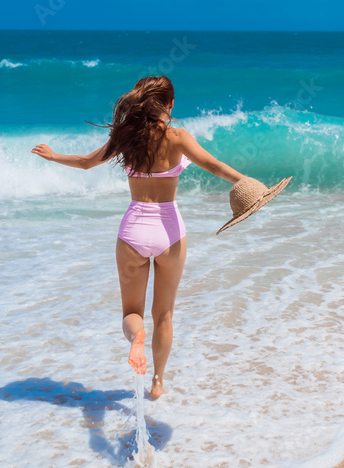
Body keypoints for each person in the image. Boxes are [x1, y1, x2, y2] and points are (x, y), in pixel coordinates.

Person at [31, 75, 244, 398]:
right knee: (165, 315)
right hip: (170, 232)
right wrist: (247, 182)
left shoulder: (125, 137)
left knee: (132, 314)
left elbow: (87, 162)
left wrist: (54, 155)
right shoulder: (177, 137)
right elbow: (213, 166)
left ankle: (136, 339)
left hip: (132, 232)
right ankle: (157, 382)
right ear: (170, 104)